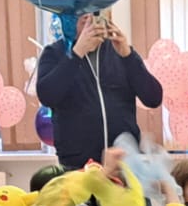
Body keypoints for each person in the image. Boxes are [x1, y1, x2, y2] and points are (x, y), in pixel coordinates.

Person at [36, 11, 162, 172]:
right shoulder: (55, 52)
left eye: (95, 11)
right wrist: (77, 53)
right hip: (78, 166)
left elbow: (153, 98)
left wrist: (128, 56)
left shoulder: (120, 51)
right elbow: (47, 96)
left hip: (123, 163)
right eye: (82, 13)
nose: (89, 17)